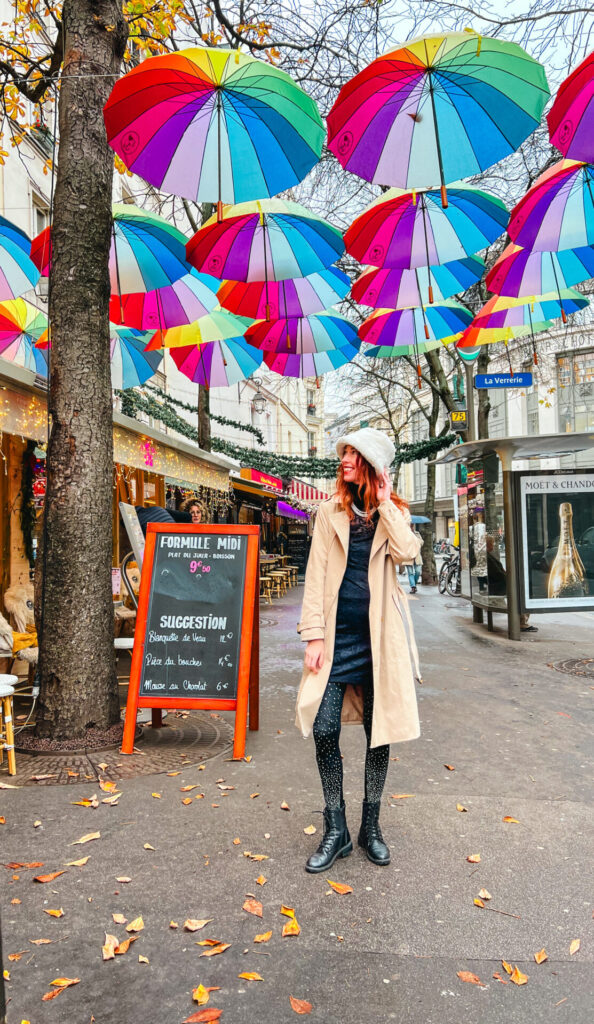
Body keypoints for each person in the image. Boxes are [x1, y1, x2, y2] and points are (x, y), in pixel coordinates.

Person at [295, 428, 422, 873]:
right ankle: (337, 827)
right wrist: (313, 635)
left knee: (378, 732)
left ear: (370, 464)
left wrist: (386, 503)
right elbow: (314, 578)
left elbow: (409, 554)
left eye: (353, 453)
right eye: (344, 452)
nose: (344, 459)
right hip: (334, 639)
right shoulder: (329, 512)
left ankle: (371, 826)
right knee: (324, 727)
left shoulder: (393, 513)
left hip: (377, 642)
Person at [404, 526, 422, 593]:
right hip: (408, 556)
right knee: (410, 573)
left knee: (418, 571)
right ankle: (413, 587)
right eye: (410, 526)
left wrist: (416, 541)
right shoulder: (405, 534)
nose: (411, 527)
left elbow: (422, 542)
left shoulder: (417, 533)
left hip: (417, 556)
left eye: (412, 526)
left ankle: (414, 584)